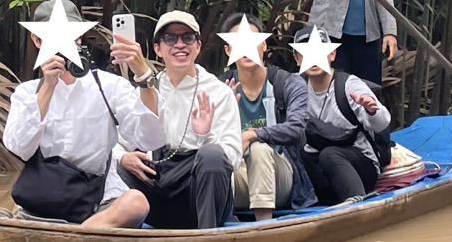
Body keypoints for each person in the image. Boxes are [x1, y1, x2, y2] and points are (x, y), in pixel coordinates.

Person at [3, 0, 163, 227]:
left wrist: (144, 76)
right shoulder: (27, 93)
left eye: (70, 36)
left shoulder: (109, 86)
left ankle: (77, 237)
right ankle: (78, 237)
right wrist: (48, 86)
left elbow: (151, 138)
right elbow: (20, 149)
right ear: (37, 40)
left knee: (136, 203)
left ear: (79, 38)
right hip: (41, 203)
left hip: (96, 204)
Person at [117, 11, 241, 229]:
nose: (179, 45)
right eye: (170, 39)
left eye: (187, 37)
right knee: (121, 167)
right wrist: (122, 157)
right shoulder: (147, 89)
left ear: (198, 46)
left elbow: (231, 157)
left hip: (201, 194)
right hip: (159, 184)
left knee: (212, 154)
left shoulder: (219, 92)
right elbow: (117, 141)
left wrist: (205, 136)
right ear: (158, 49)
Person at [218, 12, 316, 218]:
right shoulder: (219, 88)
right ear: (228, 49)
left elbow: (297, 127)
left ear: (263, 45)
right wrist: (222, 111)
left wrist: (253, 135)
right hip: (237, 176)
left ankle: (264, 225)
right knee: (208, 163)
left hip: (279, 176)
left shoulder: (287, 83)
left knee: (259, 148)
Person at [292, 24, 391, 204]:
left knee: (329, 154)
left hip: (360, 167)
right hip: (321, 170)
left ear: (332, 55)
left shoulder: (349, 85)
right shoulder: (294, 87)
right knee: (297, 155)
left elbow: (382, 122)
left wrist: (371, 109)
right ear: (297, 59)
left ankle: (357, 202)